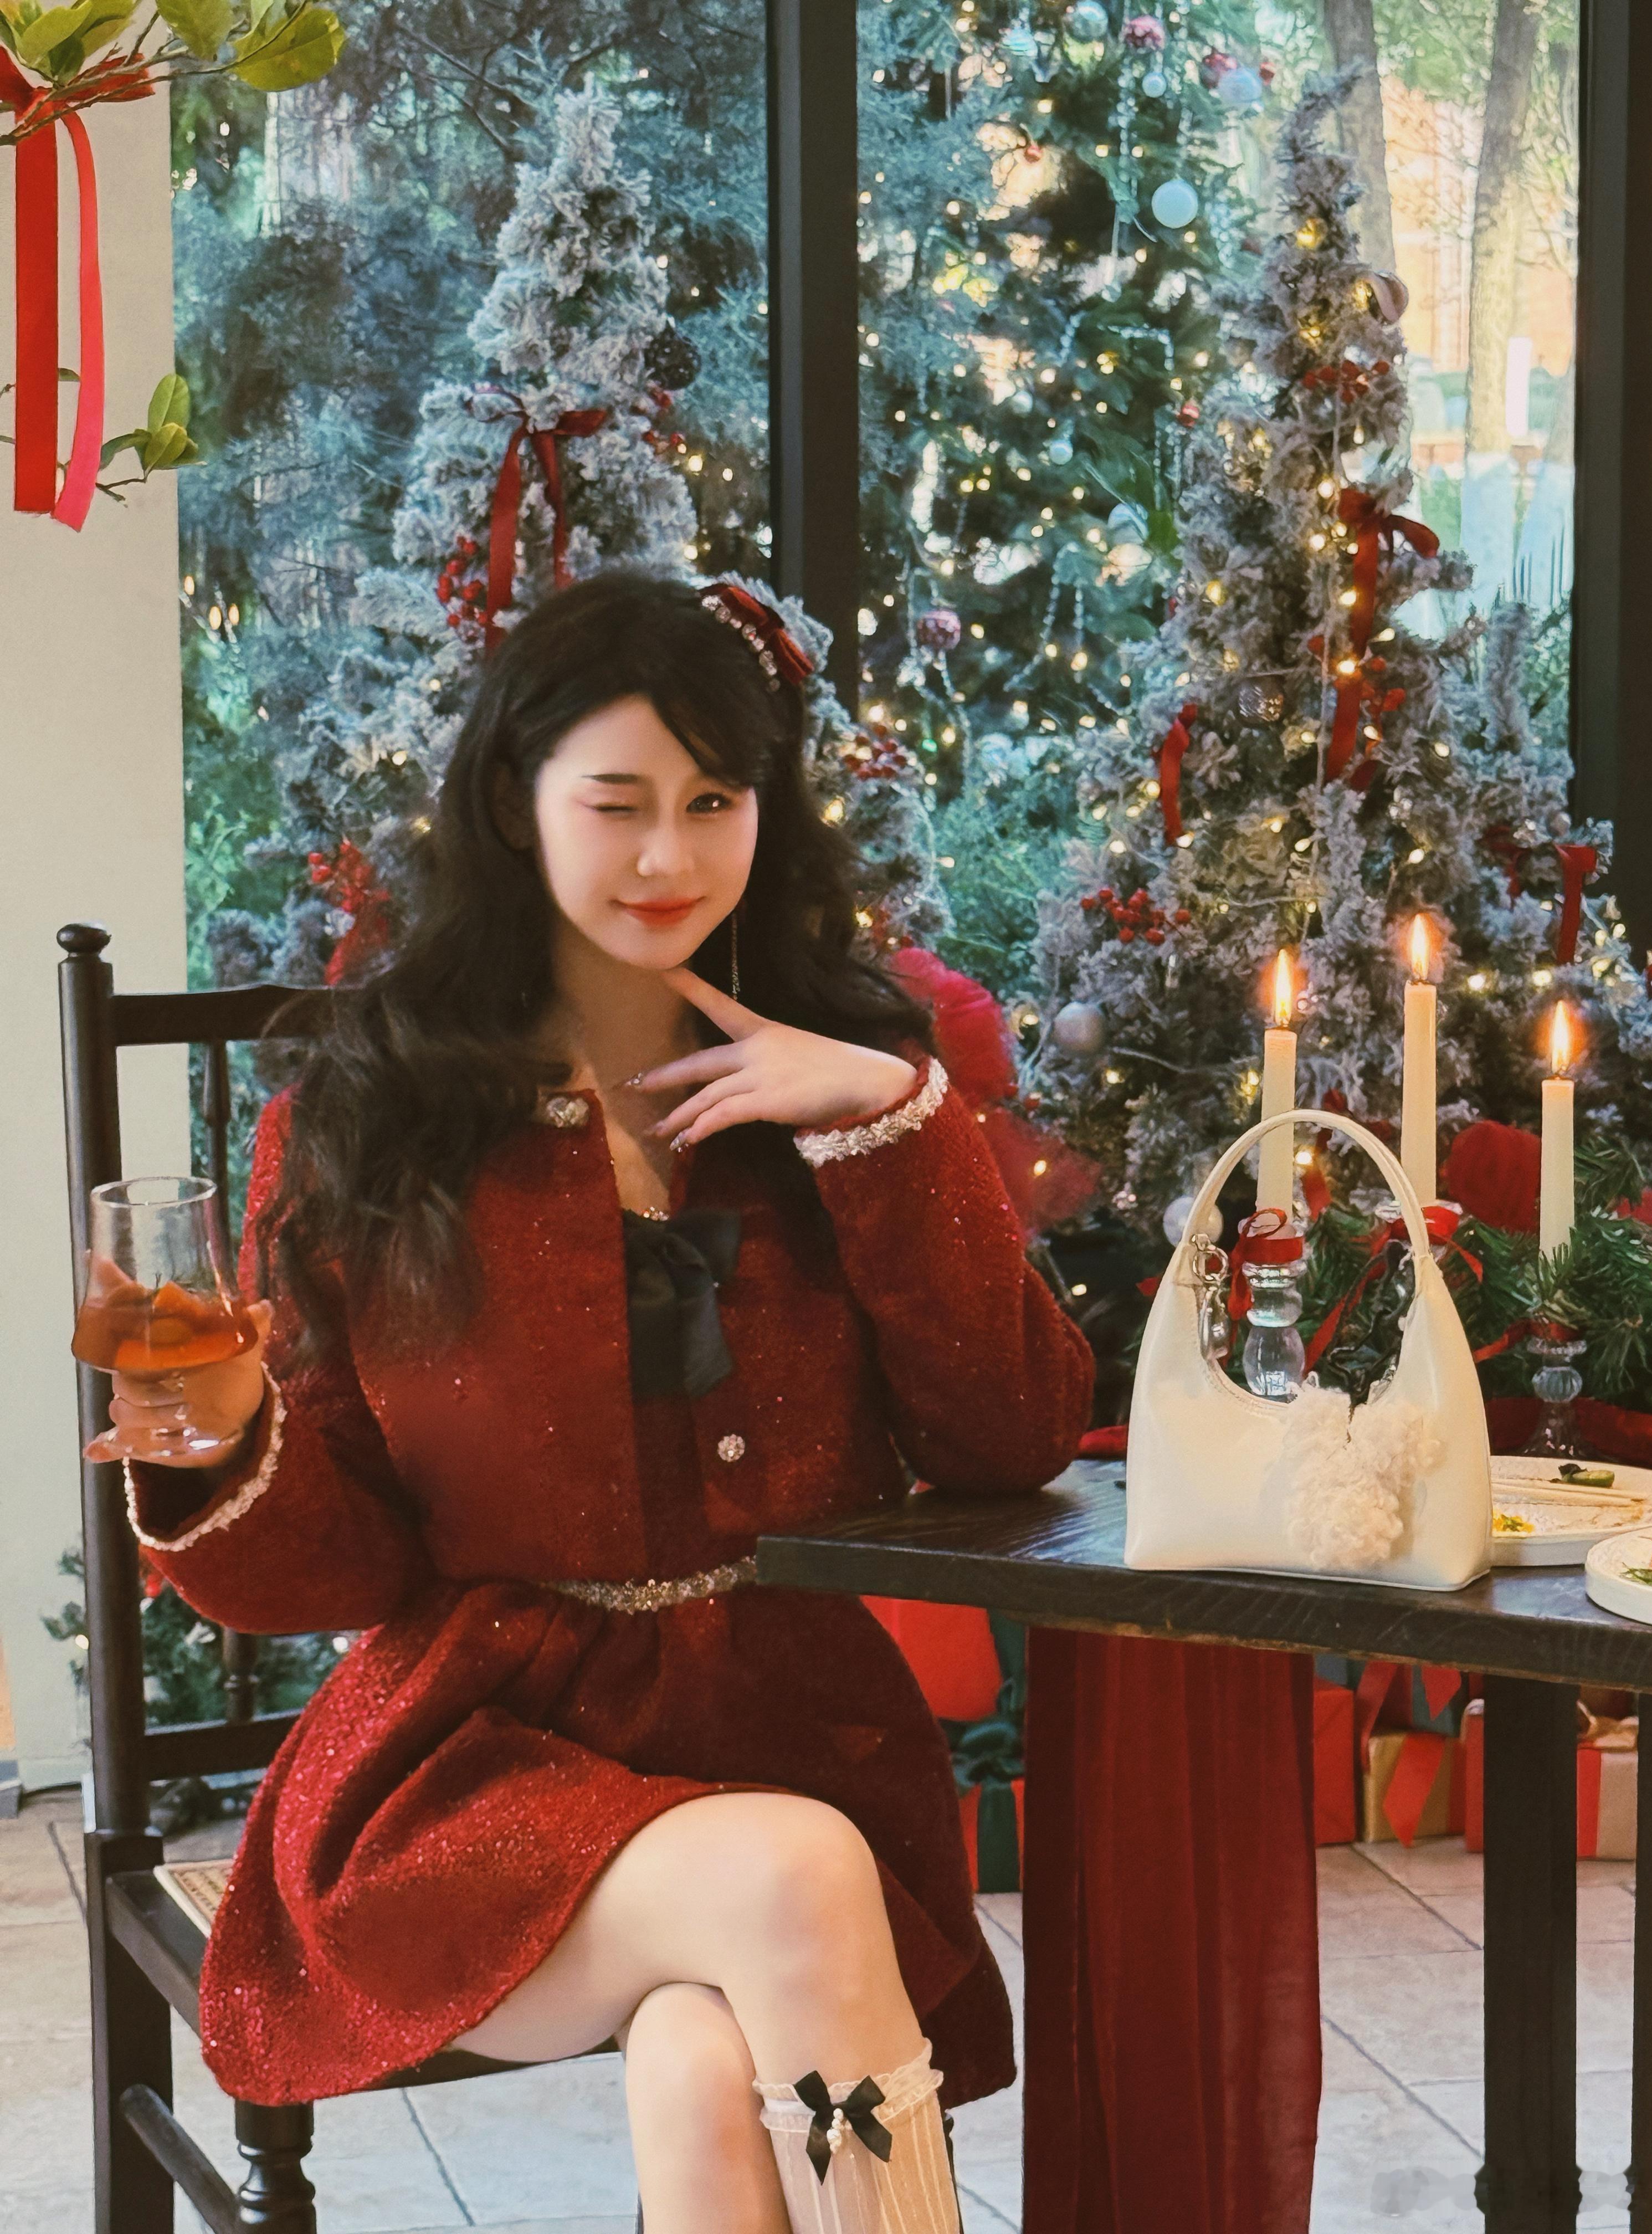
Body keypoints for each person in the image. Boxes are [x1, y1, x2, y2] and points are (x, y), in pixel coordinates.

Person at [108, 569, 1093, 2234]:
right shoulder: (371, 1120)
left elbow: (1010, 1438)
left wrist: (887, 1120)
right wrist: (219, 1436)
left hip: (781, 1735)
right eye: (618, 803)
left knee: (706, 2058)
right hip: (465, 1784)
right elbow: (339, 1571)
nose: (668, 857)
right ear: (518, 802)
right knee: (791, 1877)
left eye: (713, 802)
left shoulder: (845, 1088)